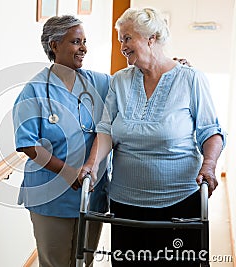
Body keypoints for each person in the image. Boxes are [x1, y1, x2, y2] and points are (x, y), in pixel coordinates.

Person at [79, 7, 226, 267]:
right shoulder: (120, 81)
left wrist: (209, 166)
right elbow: (106, 130)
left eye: (127, 38)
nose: (122, 46)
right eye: (120, 39)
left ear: (151, 38)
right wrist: (92, 164)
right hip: (126, 204)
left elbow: (210, 132)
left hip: (179, 202)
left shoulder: (191, 79)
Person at [12, 15, 111, 267]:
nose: (84, 48)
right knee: (56, 263)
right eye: (76, 41)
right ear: (54, 46)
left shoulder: (98, 82)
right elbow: (27, 143)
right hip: (51, 198)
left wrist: (173, 66)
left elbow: (134, 80)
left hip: (91, 193)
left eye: (85, 41)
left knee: (84, 262)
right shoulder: (34, 89)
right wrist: (67, 173)